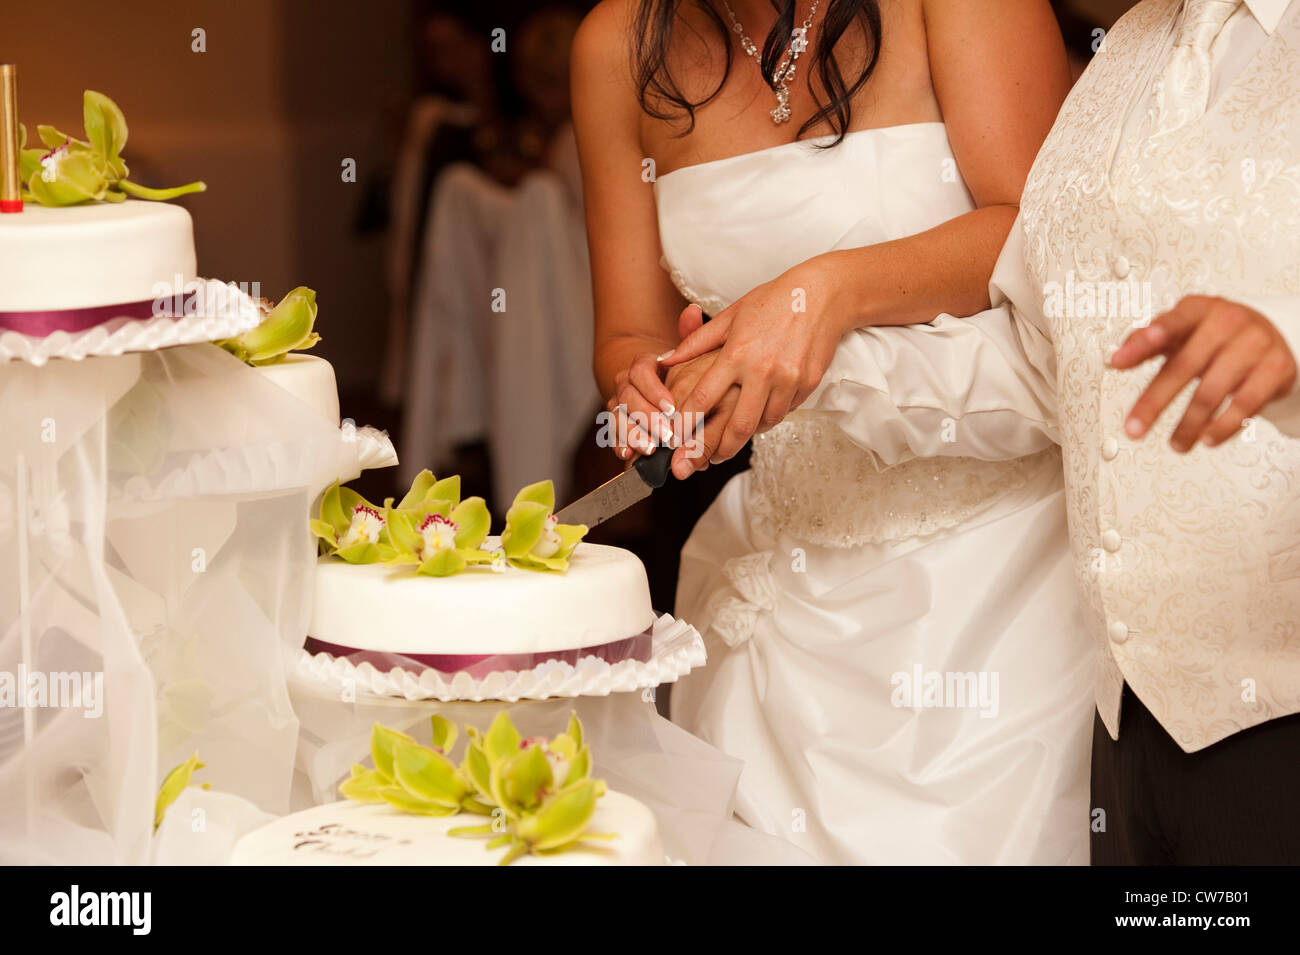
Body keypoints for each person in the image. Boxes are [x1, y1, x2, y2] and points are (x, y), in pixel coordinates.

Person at [768, 0, 1300, 864]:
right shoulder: (1121, 59)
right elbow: (1046, 366)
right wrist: (811, 373)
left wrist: (1292, 344)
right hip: (1131, 736)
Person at [573, 0, 1093, 863]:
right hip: (783, 585)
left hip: (999, 579)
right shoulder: (616, 46)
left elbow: (1036, 233)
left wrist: (827, 291)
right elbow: (629, 332)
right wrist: (644, 387)